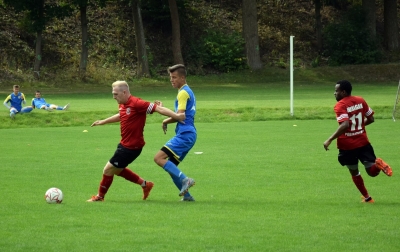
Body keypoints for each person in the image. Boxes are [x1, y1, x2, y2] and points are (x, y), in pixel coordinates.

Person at [87, 80, 185, 202]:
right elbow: (121, 115)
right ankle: (145, 184)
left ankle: (100, 197)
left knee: (108, 169)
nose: (113, 97)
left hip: (131, 148)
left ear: (124, 92)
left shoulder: (137, 103)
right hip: (124, 144)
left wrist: (177, 116)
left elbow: (159, 109)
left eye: (115, 94)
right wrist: (103, 121)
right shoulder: (123, 104)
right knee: (117, 170)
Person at [323, 80, 393, 203]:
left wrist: (329, 139)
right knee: (372, 172)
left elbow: (345, 125)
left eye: (336, 91)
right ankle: (377, 165)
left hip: (347, 146)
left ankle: (368, 197)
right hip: (363, 142)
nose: (334, 93)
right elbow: (371, 118)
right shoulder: (360, 100)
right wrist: (360, 126)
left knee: (354, 172)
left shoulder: (340, 105)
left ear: (343, 92)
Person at [154, 64, 197, 201]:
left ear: (183, 78)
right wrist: (166, 121)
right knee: (171, 167)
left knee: (158, 158)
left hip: (185, 134)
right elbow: (181, 116)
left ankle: (186, 179)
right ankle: (187, 197)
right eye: (170, 77)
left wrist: (163, 113)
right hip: (189, 134)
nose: (171, 80)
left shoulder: (183, 93)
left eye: (174, 77)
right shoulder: (187, 91)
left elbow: (181, 116)